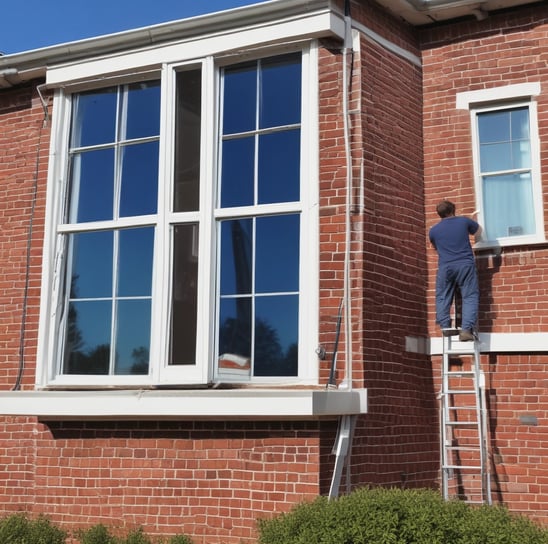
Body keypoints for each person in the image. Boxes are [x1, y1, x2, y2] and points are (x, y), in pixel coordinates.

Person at [429, 200, 482, 341]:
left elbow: (436, 248)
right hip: (464, 264)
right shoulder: (464, 222)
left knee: (442, 296)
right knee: (469, 296)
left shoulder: (433, 230)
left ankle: (445, 327)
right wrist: (474, 221)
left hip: (445, 267)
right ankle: (466, 330)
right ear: (453, 209)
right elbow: (479, 231)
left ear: (439, 214)